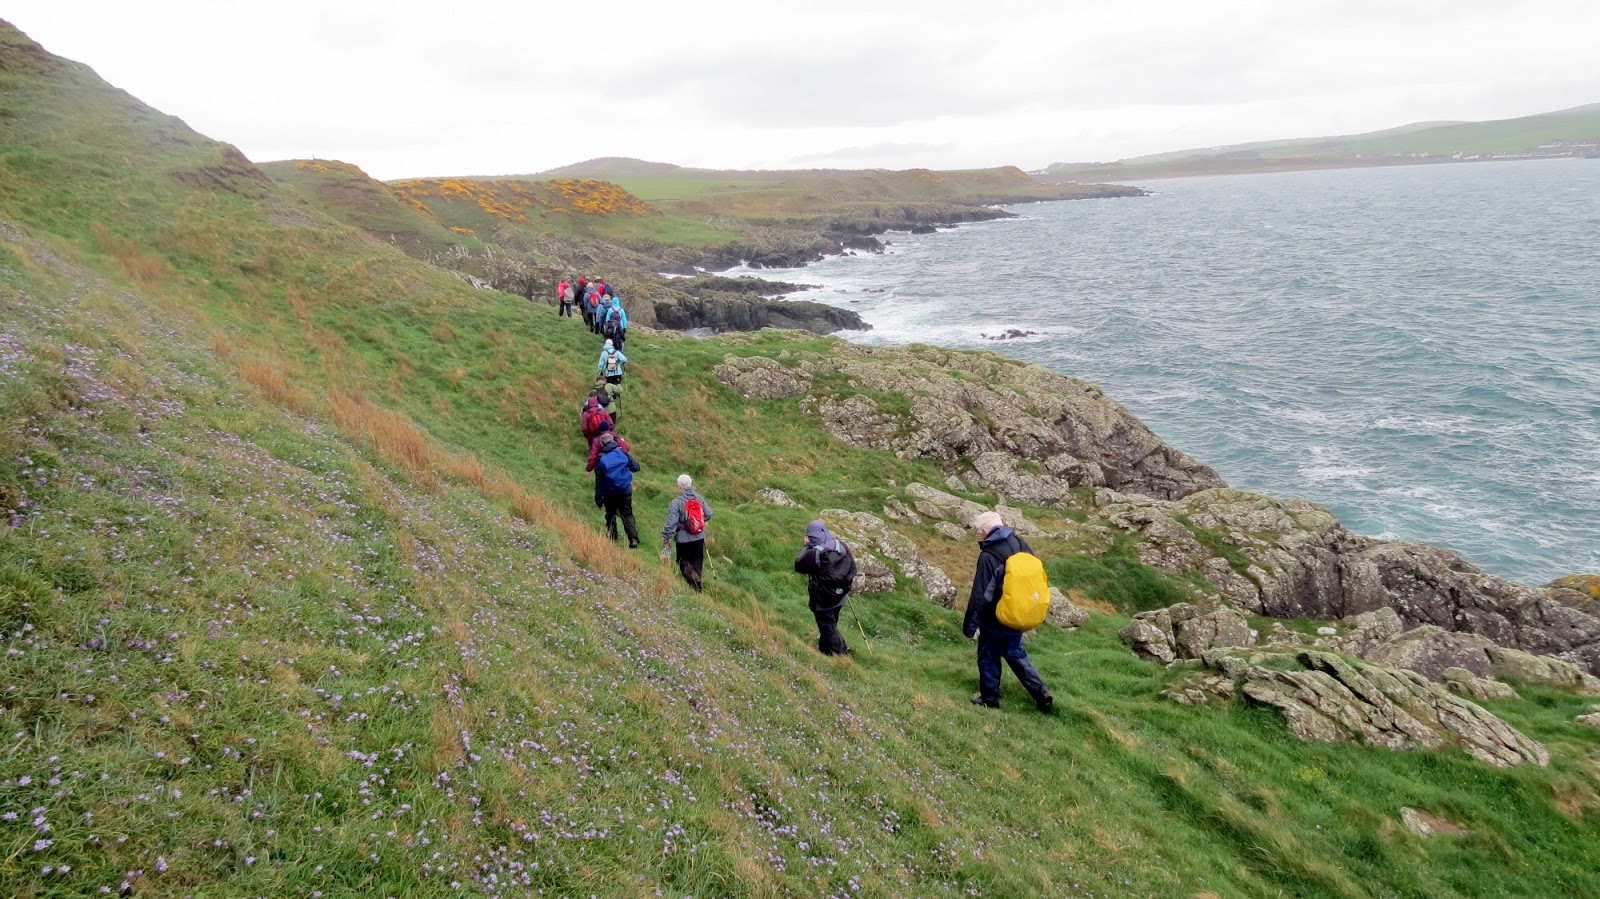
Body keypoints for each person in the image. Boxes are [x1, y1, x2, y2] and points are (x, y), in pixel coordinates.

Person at [962, 511, 1054, 712]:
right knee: (1015, 653)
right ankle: (1041, 693)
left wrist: (969, 626)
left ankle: (990, 699)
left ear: (986, 531)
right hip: (1018, 612)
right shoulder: (1020, 544)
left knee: (988, 655)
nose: (980, 535)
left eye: (980, 531)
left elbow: (981, 594)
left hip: (996, 616)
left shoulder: (989, 555)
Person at [794, 520, 857, 656]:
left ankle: (843, 654)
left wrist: (806, 545)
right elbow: (853, 569)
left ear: (810, 535)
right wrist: (843, 586)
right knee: (830, 623)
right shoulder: (841, 545)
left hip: (822, 598)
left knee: (827, 626)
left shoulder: (815, 553)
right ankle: (825, 651)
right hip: (840, 596)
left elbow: (799, 565)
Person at [660, 474, 712, 592]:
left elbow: (672, 521)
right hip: (699, 536)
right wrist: (698, 523)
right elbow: (708, 514)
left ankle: (694, 581)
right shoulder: (699, 498)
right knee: (697, 561)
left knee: (682, 561)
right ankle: (697, 588)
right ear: (691, 485)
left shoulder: (676, 502)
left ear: (679, 487)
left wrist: (666, 536)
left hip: (683, 538)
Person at [593, 431, 641, 547]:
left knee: (610, 514)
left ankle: (612, 536)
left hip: (609, 492)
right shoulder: (622, 452)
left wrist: (598, 498)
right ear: (613, 441)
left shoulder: (601, 459)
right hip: (625, 490)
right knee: (627, 513)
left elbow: (599, 481)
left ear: (602, 444)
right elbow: (635, 468)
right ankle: (633, 538)